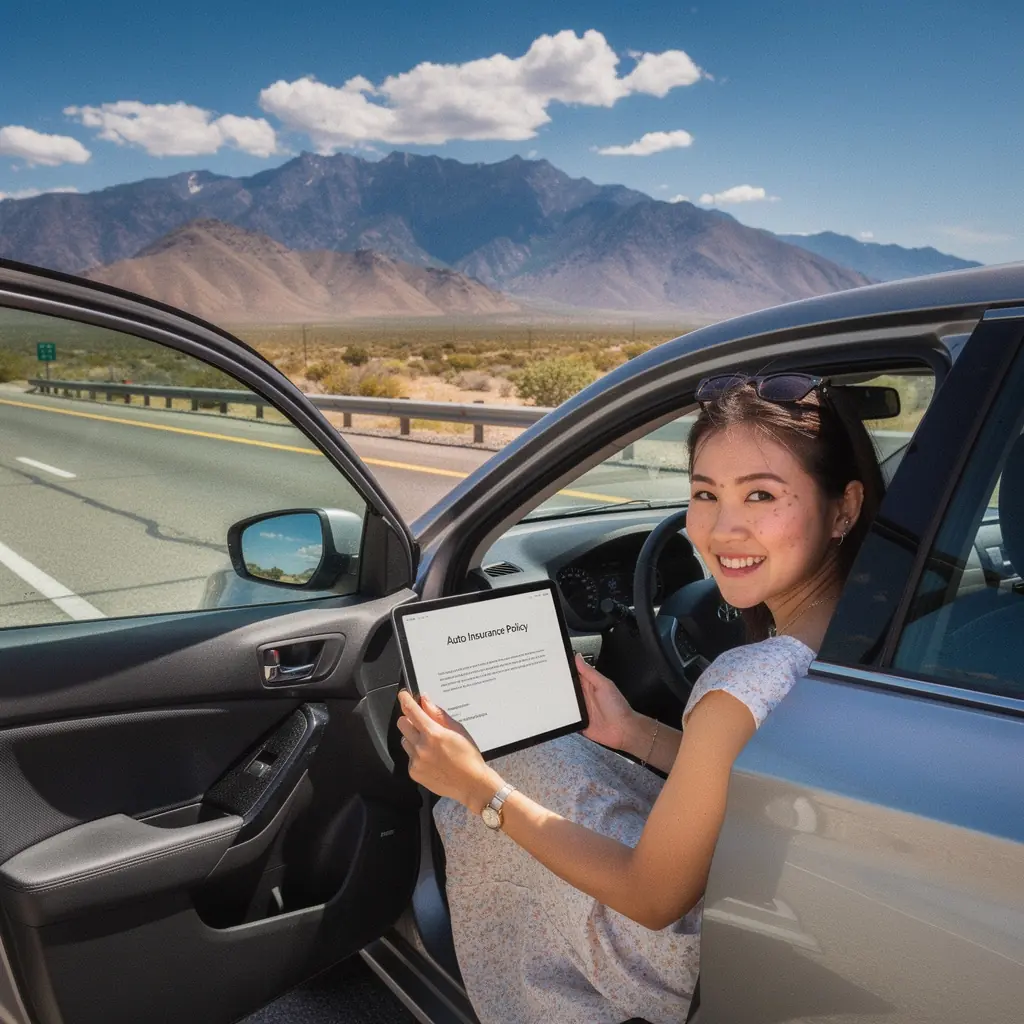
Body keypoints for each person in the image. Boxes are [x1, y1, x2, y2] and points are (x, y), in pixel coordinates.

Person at [396, 373, 885, 1024]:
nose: (723, 528)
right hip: (783, 895)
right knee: (554, 760)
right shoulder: (882, 622)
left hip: (693, 954)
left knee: (514, 776)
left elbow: (650, 899)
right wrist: (636, 734)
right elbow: (757, 777)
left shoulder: (741, 682)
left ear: (844, 509)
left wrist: (477, 790)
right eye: (705, 495)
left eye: (761, 495)